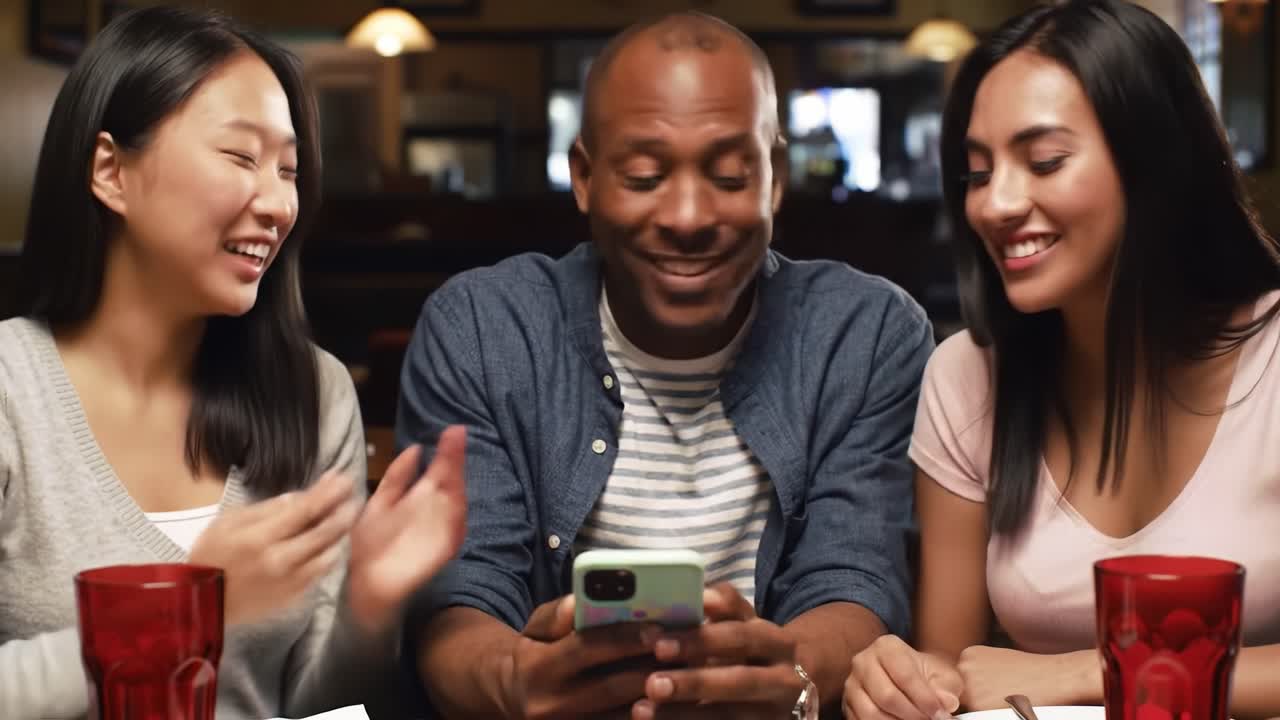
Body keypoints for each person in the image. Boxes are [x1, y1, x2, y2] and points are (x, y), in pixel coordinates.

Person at [396, 10, 934, 720]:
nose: (687, 215)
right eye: (646, 175)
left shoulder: (865, 334)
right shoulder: (483, 328)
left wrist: (784, 678)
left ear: (774, 180)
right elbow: (461, 600)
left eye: (732, 175)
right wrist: (519, 679)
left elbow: (854, 579)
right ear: (584, 177)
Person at [0, 7, 466, 719]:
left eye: (290, 170)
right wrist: (187, 603)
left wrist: (370, 610)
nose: (279, 204)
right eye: (242, 158)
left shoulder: (315, 394)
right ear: (110, 171)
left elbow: (316, 702)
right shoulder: (11, 390)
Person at [842, 1, 1280, 718]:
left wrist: (1095, 672)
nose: (996, 204)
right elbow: (953, 671)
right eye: (978, 173)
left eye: (1043, 160)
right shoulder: (966, 378)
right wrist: (900, 682)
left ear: (1156, 160)